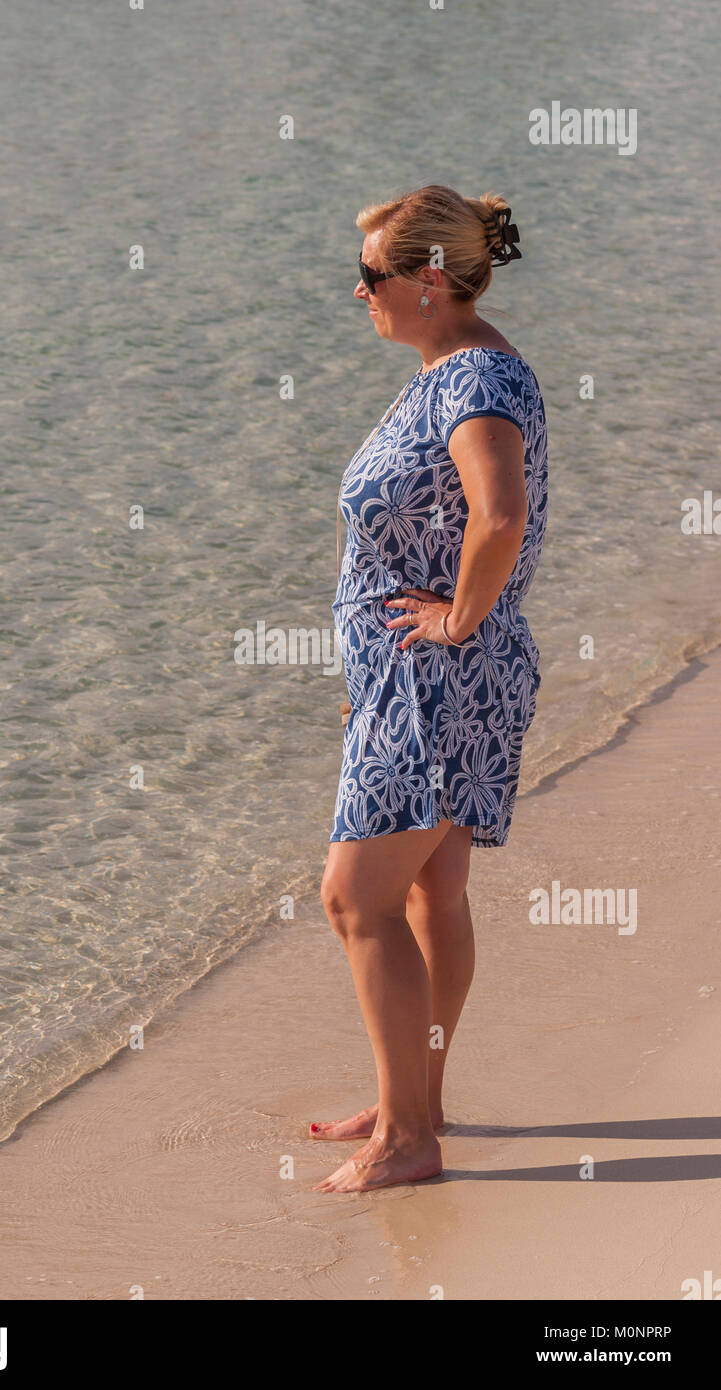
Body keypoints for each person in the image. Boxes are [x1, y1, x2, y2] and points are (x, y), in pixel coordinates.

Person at [313, 184, 547, 1193]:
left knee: (353, 896)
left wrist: (452, 618)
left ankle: (408, 1139)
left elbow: (498, 517)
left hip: (439, 678)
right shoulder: (454, 366)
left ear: (428, 279)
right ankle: (418, 1098)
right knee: (429, 891)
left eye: (366, 276)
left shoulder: (474, 381)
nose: (353, 292)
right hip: (426, 676)